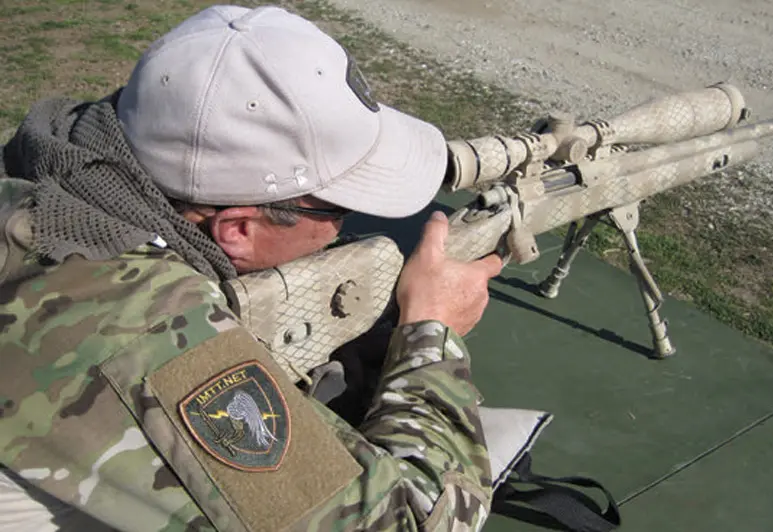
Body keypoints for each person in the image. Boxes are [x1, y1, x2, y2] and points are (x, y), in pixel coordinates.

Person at [0, 5, 504, 531]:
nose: (341, 231)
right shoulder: (144, 335)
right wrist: (433, 331)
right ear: (238, 228)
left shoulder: (40, 176)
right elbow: (416, 521)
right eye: (340, 210)